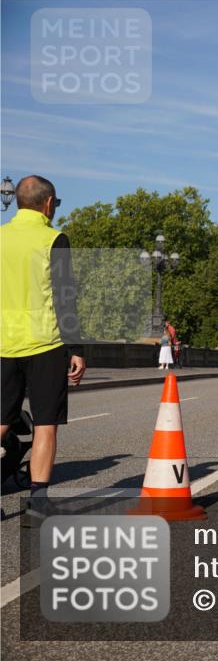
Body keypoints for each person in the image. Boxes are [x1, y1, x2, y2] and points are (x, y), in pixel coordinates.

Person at [0, 175, 86, 522]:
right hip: (45, 343)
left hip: (4, 342)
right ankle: (38, 502)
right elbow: (64, 296)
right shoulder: (54, 239)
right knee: (45, 423)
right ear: (47, 203)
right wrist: (76, 348)